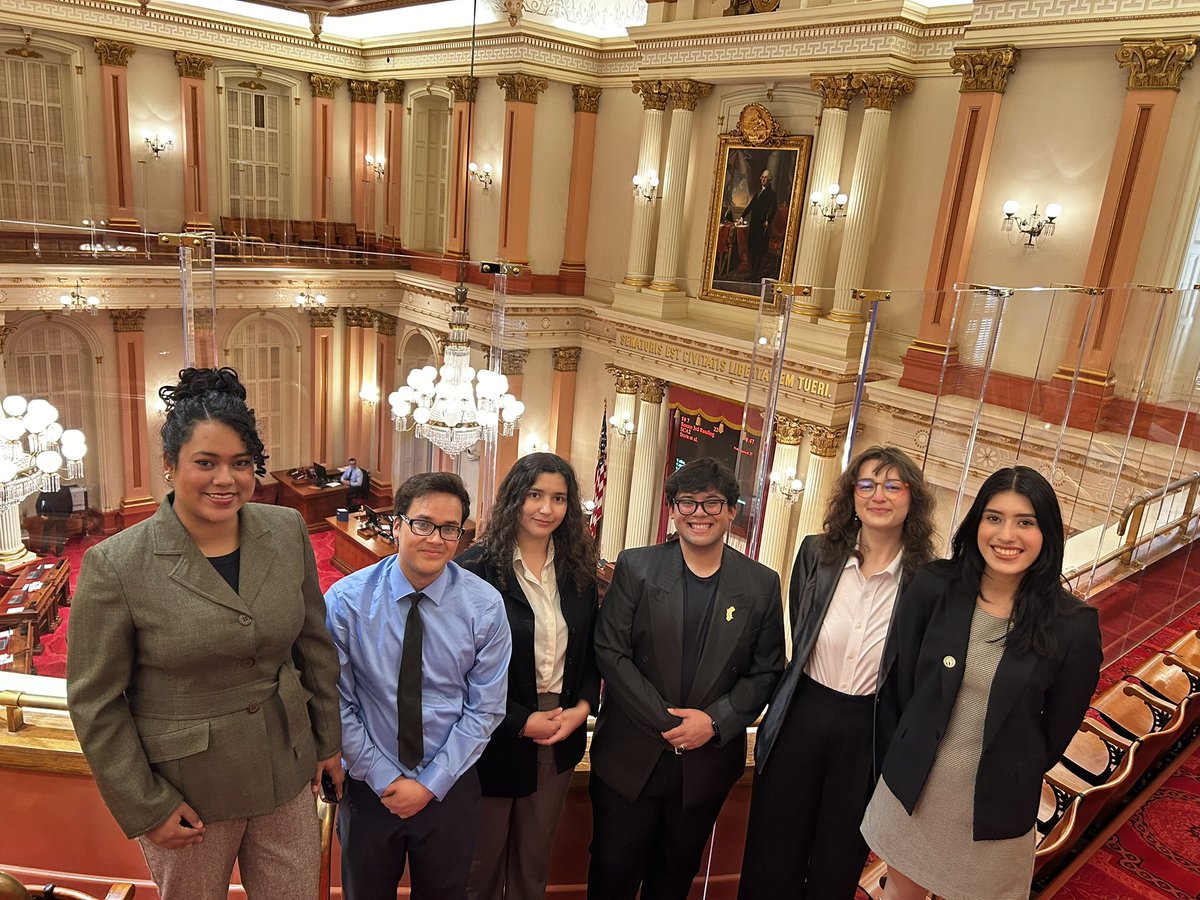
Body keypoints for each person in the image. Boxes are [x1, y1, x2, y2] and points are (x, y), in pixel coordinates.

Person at [66, 367, 343, 900]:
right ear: (169, 466)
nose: (226, 479)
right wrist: (146, 805)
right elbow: (96, 702)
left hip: (285, 768)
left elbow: (314, 646)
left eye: (241, 464)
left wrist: (327, 741)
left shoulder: (286, 532)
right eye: (206, 462)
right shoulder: (116, 565)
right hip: (185, 792)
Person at [861, 466, 1103, 900]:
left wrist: (1007, 769)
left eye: (1024, 522)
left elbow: (1054, 735)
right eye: (994, 517)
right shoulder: (934, 585)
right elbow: (899, 688)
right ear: (976, 523)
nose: (1006, 534)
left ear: (1047, 532)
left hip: (994, 807)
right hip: (913, 790)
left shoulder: (1073, 626)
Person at [740, 446, 937, 899]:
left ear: (912, 498)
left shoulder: (927, 580)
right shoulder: (816, 554)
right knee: (773, 851)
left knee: (838, 858)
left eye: (892, 485)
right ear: (852, 495)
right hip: (801, 715)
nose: (878, 496)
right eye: (866, 485)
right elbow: (800, 628)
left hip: (867, 730)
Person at [588, 457, 785, 900]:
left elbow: (768, 669)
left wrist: (713, 723)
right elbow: (609, 650)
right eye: (688, 503)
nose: (700, 513)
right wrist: (668, 722)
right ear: (673, 510)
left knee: (674, 878)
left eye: (713, 503)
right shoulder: (636, 568)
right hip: (629, 758)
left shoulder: (761, 584)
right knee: (611, 871)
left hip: (705, 766)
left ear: (732, 511)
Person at [325, 471, 511, 900]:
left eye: (450, 529)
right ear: (396, 524)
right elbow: (336, 701)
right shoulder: (347, 601)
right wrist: (384, 777)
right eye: (422, 523)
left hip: (450, 785)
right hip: (370, 787)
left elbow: (485, 709)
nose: (436, 538)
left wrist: (429, 784)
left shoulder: (484, 607)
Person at [455, 452, 600, 900]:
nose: (546, 508)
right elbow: (458, 671)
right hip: (492, 733)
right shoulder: (474, 570)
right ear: (515, 497)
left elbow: (593, 652)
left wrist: (582, 708)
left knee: (532, 865)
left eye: (558, 498)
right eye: (535, 495)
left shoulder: (578, 570)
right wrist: (520, 722)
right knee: (479, 867)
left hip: (559, 731)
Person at [743, 168, 777, 283]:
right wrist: (742, 216)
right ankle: (752, 273)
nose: (763, 179)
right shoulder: (758, 193)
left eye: (765, 177)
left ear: (769, 179)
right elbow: (751, 206)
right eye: (762, 177)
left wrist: (769, 220)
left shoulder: (771, 194)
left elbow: (774, 209)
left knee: (758, 252)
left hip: (762, 227)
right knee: (752, 250)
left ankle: (754, 276)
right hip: (754, 225)